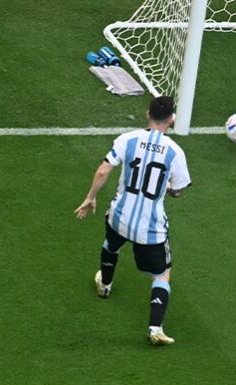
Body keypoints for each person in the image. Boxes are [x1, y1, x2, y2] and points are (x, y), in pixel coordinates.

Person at [74, 96, 191, 346]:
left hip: (120, 217)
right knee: (161, 274)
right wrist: (168, 188)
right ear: (171, 120)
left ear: (147, 114)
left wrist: (90, 198)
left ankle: (104, 284)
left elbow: (104, 170)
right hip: (151, 228)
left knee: (111, 244)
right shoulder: (175, 152)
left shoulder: (127, 139)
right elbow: (178, 190)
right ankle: (155, 329)